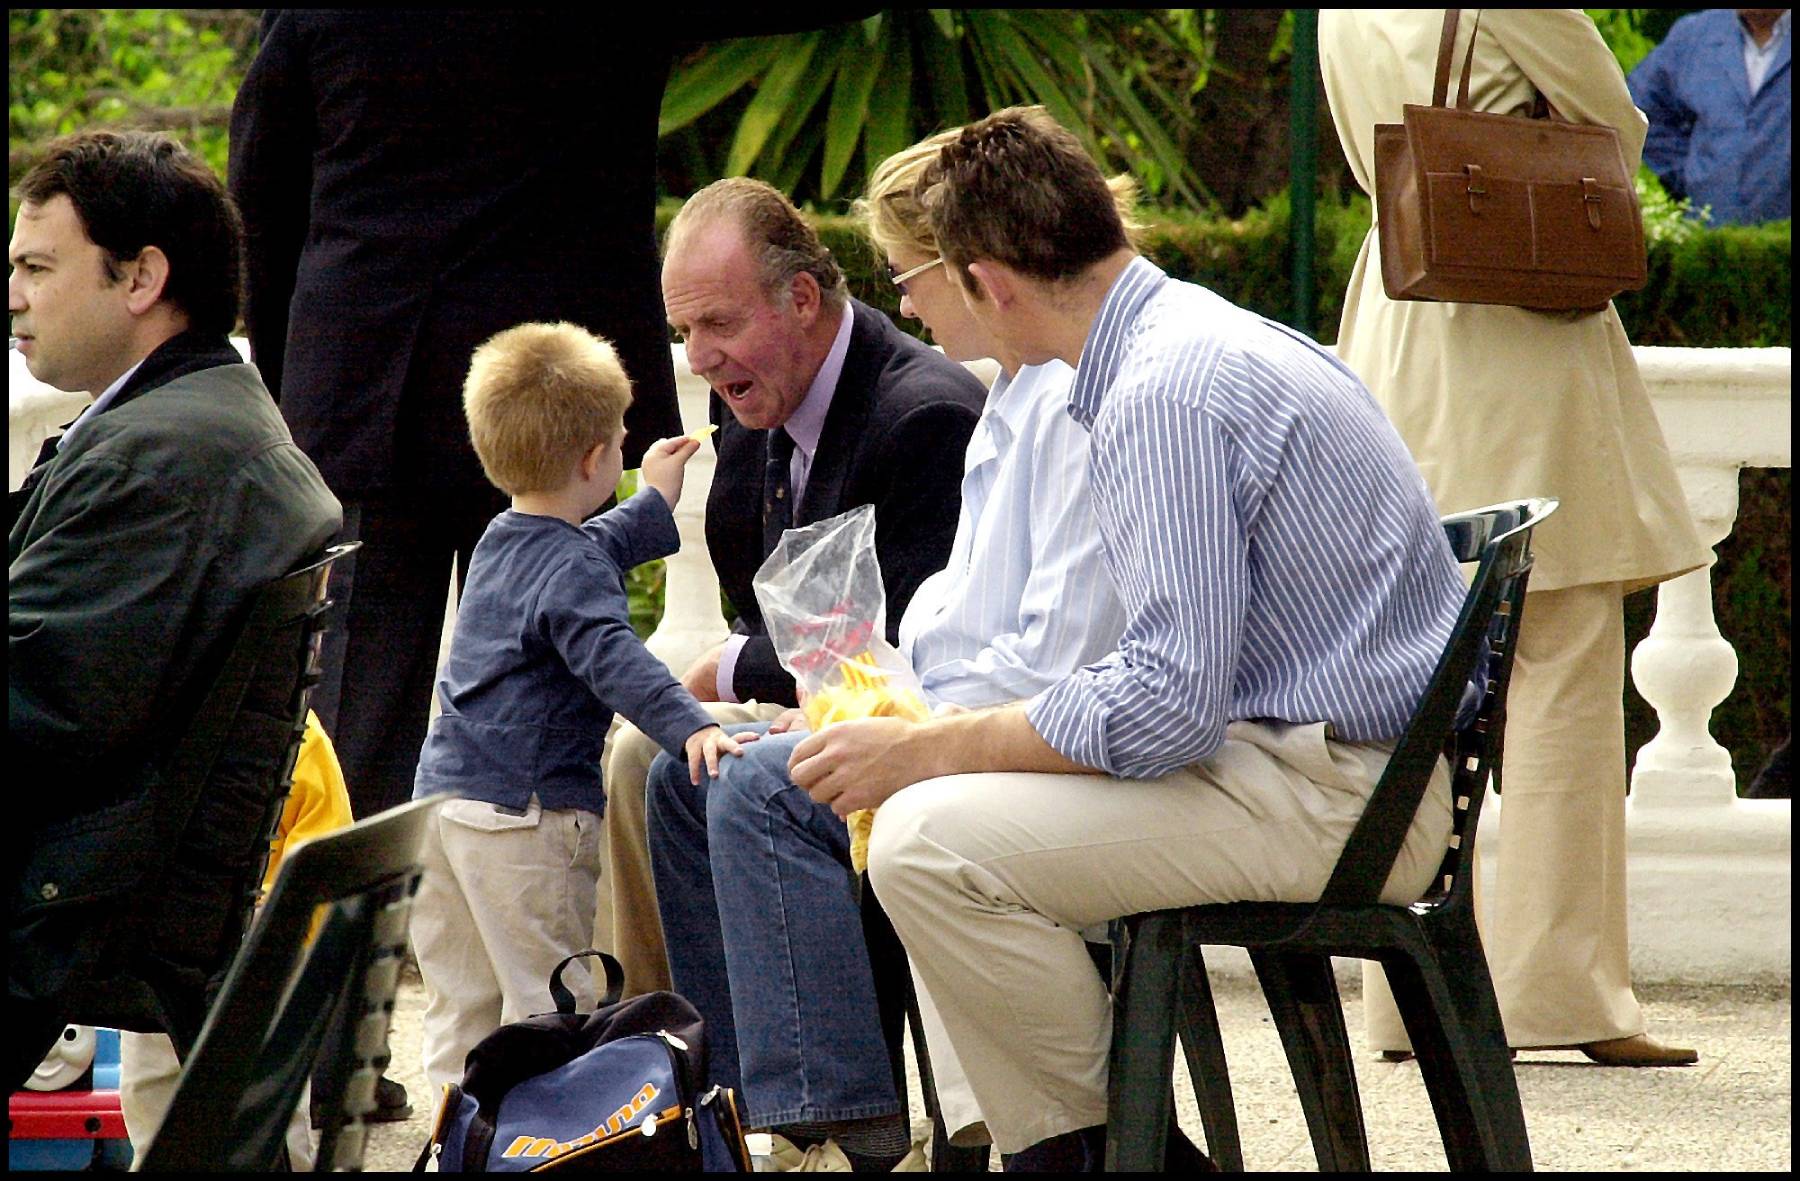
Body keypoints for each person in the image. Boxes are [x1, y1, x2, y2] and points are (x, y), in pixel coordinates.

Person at [778, 106, 1470, 1171]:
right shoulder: (1189, 336)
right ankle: (1111, 1151)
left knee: (926, 840)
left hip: (1346, 793)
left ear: (988, 281)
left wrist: (924, 748)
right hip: (1337, 765)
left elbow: (1165, 704)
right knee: (931, 824)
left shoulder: (1160, 392)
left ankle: (1105, 1158)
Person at [639, 132, 1133, 1171]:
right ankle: (733, 1100)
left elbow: (1005, 636)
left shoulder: (954, 406)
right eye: (686, 329)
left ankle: (837, 1127)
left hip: (1018, 732)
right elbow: (946, 619)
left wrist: (843, 704)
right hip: (950, 698)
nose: (906, 305)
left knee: (755, 783)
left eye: (915, 278)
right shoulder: (1016, 392)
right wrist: (819, 695)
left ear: (979, 276)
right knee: (675, 765)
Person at [1319, 9, 1712, 1067]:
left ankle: (1406, 999)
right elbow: (1612, 133)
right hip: (1517, 321)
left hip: (1400, 320)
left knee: (1424, 684)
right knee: (1563, 667)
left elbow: (1373, 153)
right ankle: (1563, 994)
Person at [8, 129, 342, 1089]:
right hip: (123, 886)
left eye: (36, 266)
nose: (15, 295)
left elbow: (37, 711)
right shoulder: (205, 414)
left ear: (141, 276)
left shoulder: (154, 461)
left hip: (64, 910)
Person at [601, 177, 985, 998]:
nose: (699, 357)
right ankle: (662, 1059)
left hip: (920, 732)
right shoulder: (759, 404)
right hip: (810, 711)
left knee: (688, 758)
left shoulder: (925, 418)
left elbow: (904, 642)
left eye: (719, 324)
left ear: (803, 298)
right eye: (684, 330)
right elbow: (760, 606)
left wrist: (729, 670)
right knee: (646, 747)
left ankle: (757, 1086)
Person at [407, 321, 748, 1092]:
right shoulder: (571, 571)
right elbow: (612, 655)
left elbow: (579, 553)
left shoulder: (502, 535)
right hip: (525, 821)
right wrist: (690, 722)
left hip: (441, 810)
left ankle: (460, 1138)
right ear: (595, 459)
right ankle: (556, 1142)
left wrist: (654, 497)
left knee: (460, 1011)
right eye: (623, 442)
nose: (627, 450)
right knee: (552, 1008)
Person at [116, 711, 351, 1170]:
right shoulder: (295, 726)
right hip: (259, 930)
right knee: (269, 1112)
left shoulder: (155, 709)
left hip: (167, 924)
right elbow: (328, 849)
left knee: (159, 1108)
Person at [1628, 9, 1791, 226]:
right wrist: (1689, 177)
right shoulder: (1695, 34)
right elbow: (1639, 107)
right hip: (1708, 240)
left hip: (1782, 243)